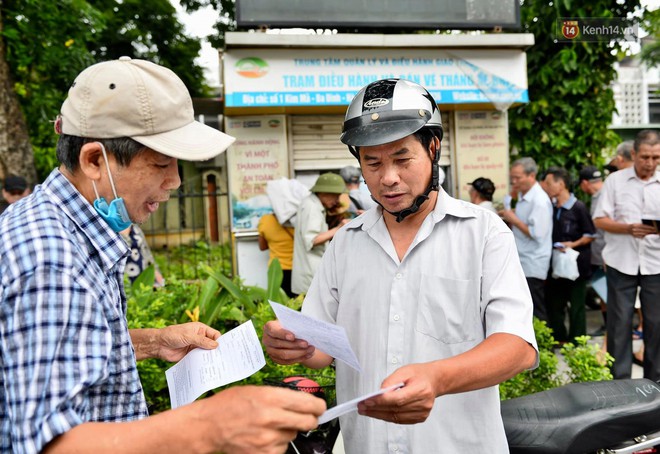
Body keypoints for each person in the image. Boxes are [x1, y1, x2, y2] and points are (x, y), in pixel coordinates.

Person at [0, 57, 325, 454]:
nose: (174, 182)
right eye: (159, 164)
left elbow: (63, 349)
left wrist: (154, 342)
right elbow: (50, 444)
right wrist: (210, 424)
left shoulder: (64, 228)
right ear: (94, 161)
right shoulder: (52, 260)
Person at [263, 78, 538, 453]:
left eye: (402, 158)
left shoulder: (484, 233)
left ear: (433, 147)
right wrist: (294, 344)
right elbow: (323, 349)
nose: (388, 177)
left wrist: (437, 378)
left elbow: (517, 347)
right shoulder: (347, 242)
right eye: (372, 163)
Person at [593, 129, 660, 381]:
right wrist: (628, 228)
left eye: (656, 158)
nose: (650, 163)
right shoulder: (615, 181)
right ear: (634, 154)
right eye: (645, 157)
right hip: (622, 262)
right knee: (618, 324)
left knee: (656, 325)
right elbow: (599, 220)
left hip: (656, 264)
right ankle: (620, 386)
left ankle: (655, 385)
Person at [542, 167, 596, 343]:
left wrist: (572, 244)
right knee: (555, 303)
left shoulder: (578, 207)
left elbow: (590, 235)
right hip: (556, 264)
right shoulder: (550, 207)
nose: (546, 187)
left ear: (561, 184)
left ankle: (577, 340)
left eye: (550, 183)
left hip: (576, 264)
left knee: (576, 305)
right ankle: (559, 337)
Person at [499, 157, 553, 321]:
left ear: (531, 176)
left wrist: (512, 218)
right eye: (512, 178)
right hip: (522, 259)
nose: (514, 182)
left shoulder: (540, 200)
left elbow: (537, 233)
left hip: (533, 262)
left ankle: (544, 345)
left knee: (536, 308)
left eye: (517, 177)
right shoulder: (524, 196)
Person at [291, 172, 349, 295]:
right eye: (335, 196)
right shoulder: (312, 208)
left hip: (310, 275)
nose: (337, 200)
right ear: (324, 192)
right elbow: (312, 240)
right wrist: (339, 228)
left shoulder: (311, 204)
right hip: (310, 277)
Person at [578, 165, 607, 335]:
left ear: (585, 183)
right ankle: (607, 326)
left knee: (610, 294)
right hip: (599, 255)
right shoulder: (598, 195)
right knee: (604, 292)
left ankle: (613, 328)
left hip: (607, 256)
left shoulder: (605, 196)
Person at [258, 213, 296, 298]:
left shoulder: (265, 220)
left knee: (280, 302)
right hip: (297, 269)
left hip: (277, 269)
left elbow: (262, 246)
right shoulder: (298, 219)